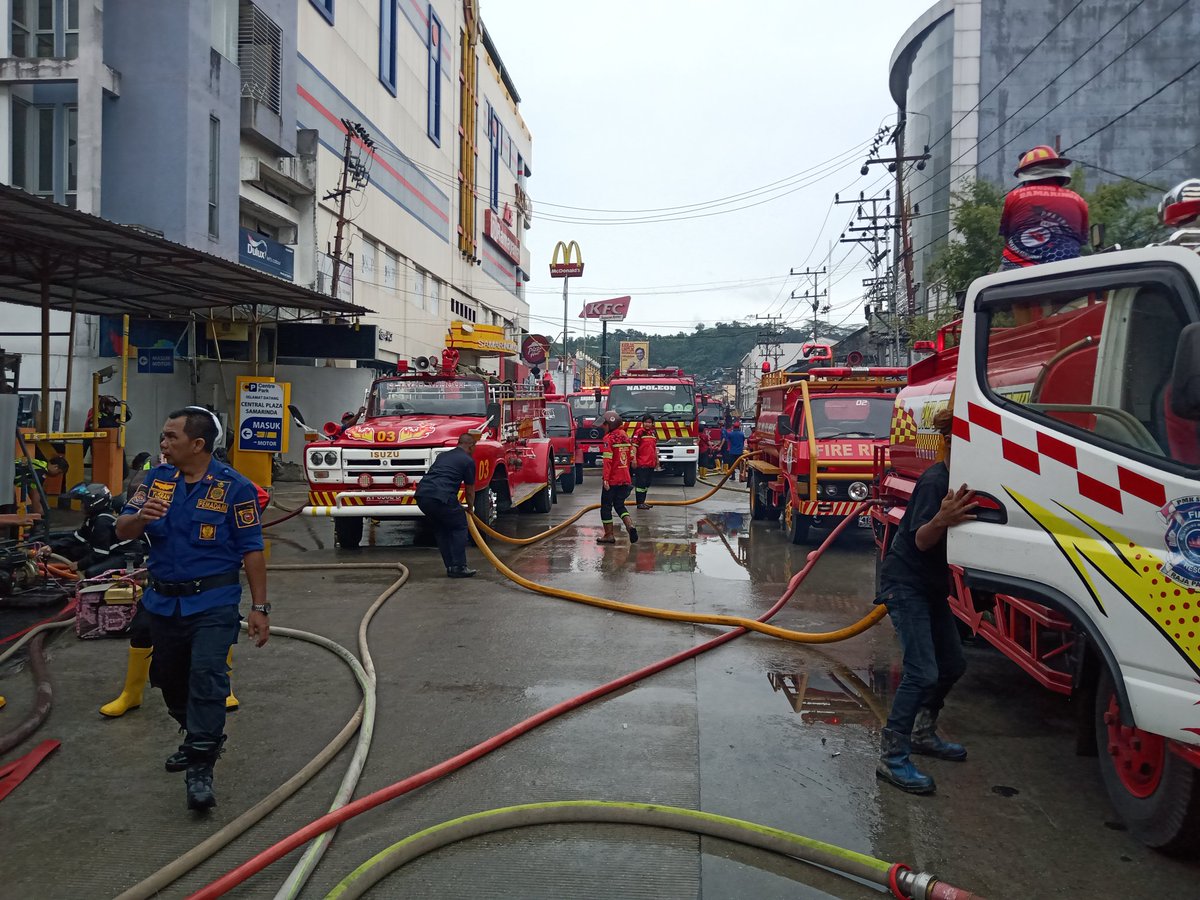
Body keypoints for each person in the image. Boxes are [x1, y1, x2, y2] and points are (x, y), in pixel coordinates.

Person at [114, 407, 269, 812]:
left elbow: (252, 549)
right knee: (167, 677)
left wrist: (259, 607)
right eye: (164, 436)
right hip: (163, 601)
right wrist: (140, 518)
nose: (163, 444)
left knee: (206, 677)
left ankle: (201, 764)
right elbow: (122, 528)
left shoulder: (236, 488)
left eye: (172, 437)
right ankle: (197, 733)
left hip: (213, 601)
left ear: (198, 444)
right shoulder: (156, 480)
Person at [875, 409, 977, 795]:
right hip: (905, 584)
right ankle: (891, 757)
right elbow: (920, 540)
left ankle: (922, 732)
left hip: (932, 585)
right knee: (922, 672)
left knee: (952, 664)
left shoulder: (965, 478)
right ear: (950, 442)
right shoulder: (937, 482)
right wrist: (941, 519)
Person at [999, 145, 1089, 271]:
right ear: (1060, 174)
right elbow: (1082, 241)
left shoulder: (1014, 197)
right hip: (1067, 269)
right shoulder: (1078, 201)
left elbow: (1007, 235)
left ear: (1025, 176)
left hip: (1018, 269)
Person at [414, 431, 479, 578]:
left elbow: (441, 477)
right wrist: (470, 508)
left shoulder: (442, 456)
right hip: (440, 497)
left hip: (423, 496)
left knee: (442, 529)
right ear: (471, 446)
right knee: (459, 526)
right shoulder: (468, 461)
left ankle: (451, 566)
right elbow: (470, 490)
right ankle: (459, 567)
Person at [597, 411, 638, 545]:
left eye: (604, 424)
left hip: (612, 480)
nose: (602, 427)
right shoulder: (624, 435)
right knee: (619, 506)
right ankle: (630, 526)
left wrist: (606, 479)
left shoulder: (609, 439)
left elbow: (607, 461)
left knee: (606, 508)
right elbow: (630, 456)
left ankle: (609, 535)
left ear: (610, 424)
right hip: (625, 478)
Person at [631, 413, 658, 510]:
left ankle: (643, 502)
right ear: (642, 423)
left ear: (652, 423)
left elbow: (654, 448)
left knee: (647, 483)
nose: (647, 424)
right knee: (641, 484)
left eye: (649, 422)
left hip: (650, 463)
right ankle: (639, 503)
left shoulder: (653, 433)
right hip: (642, 463)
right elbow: (634, 446)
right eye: (646, 422)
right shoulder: (639, 432)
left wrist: (657, 460)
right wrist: (634, 459)